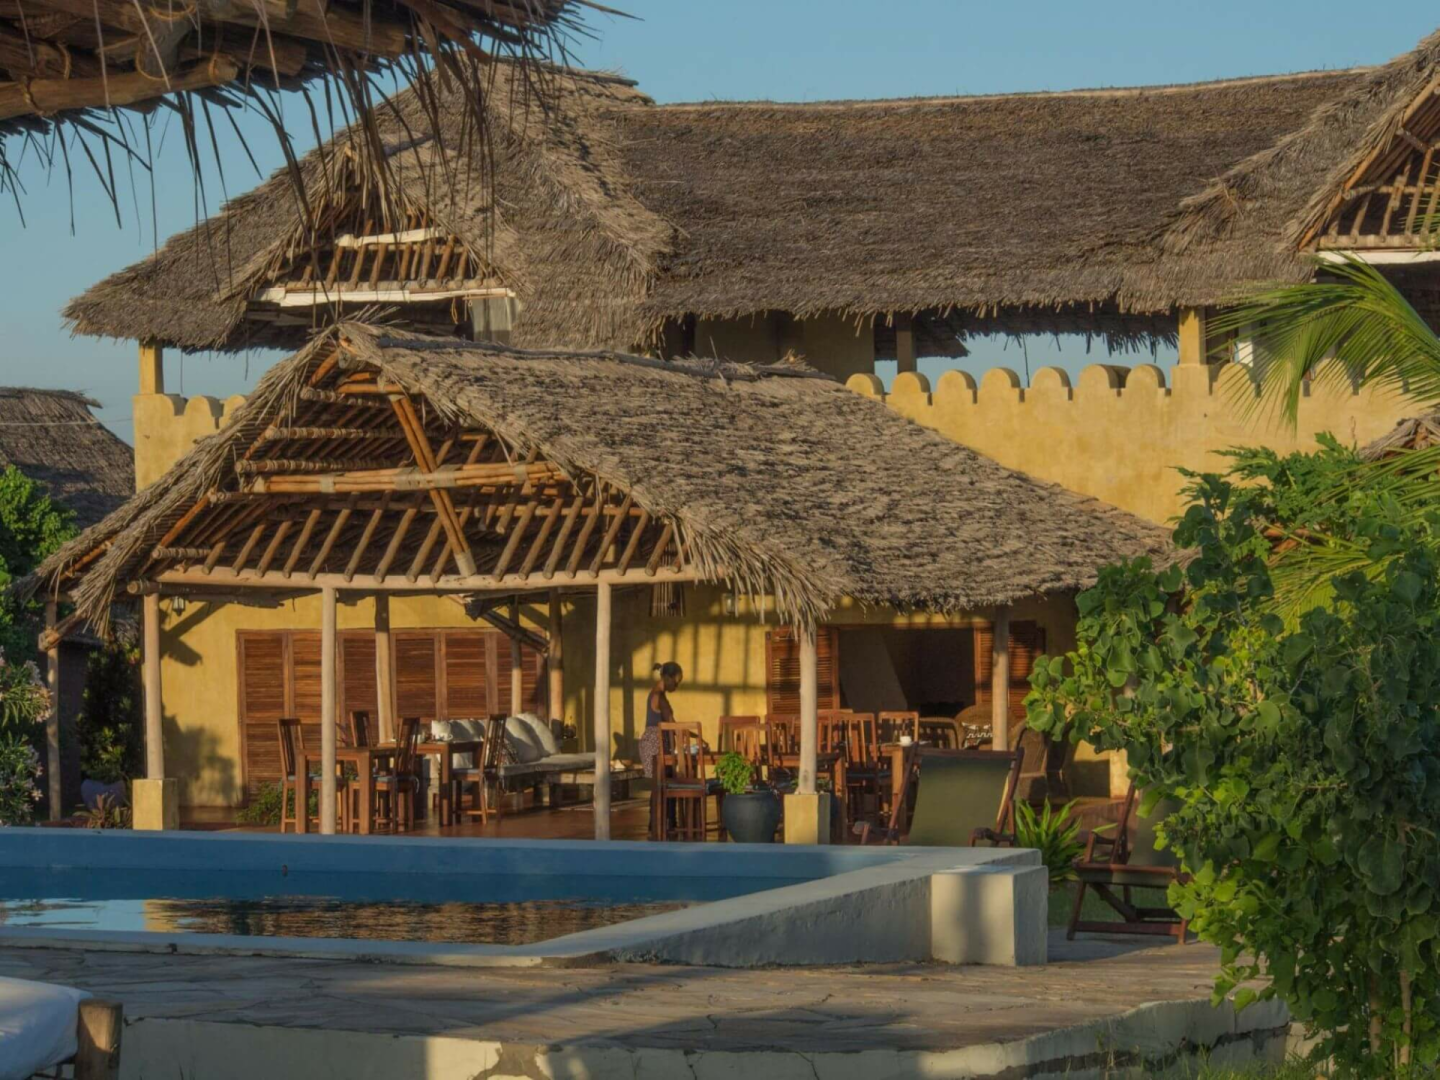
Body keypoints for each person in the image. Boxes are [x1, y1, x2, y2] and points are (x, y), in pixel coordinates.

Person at [639, 662, 683, 780]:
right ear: (667, 678)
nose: (677, 686)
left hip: (653, 744)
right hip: (656, 746)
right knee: (663, 786)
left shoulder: (656, 693)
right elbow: (673, 726)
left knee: (660, 788)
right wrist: (697, 738)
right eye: (676, 682)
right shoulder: (659, 697)